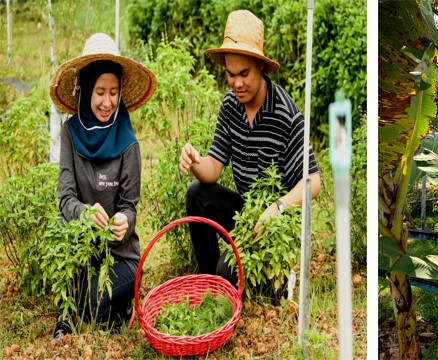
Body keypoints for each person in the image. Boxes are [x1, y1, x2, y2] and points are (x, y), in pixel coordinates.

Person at [178, 10, 321, 286]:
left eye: (244, 74)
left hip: (273, 222)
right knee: (197, 193)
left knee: (228, 271)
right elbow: (212, 172)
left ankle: (276, 275)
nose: (237, 83)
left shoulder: (285, 113)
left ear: (261, 67)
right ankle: (210, 285)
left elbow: (313, 182)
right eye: (231, 75)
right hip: (245, 213)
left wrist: (277, 208)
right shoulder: (230, 106)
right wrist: (195, 160)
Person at [50, 33, 157, 339]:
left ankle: (113, 305)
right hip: (84, 250)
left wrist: (125, 220)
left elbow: (129, 206)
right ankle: (67, 317)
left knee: (94, 300)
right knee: (62, 225)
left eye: (113, 92)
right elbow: (65, 197)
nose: (107, 102)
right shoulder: (70, 132)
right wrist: (84, 213)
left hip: (120, 255)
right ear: (86, 91)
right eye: (99, 92)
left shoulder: (128, 143)